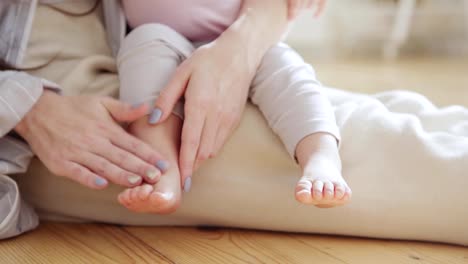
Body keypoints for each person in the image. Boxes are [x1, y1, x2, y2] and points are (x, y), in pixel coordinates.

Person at [115, 0, 351, 214]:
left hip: (248, 45)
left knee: (287, 70)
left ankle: (321, 156)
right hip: (160, 39)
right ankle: (161, 170)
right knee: (142, 50)